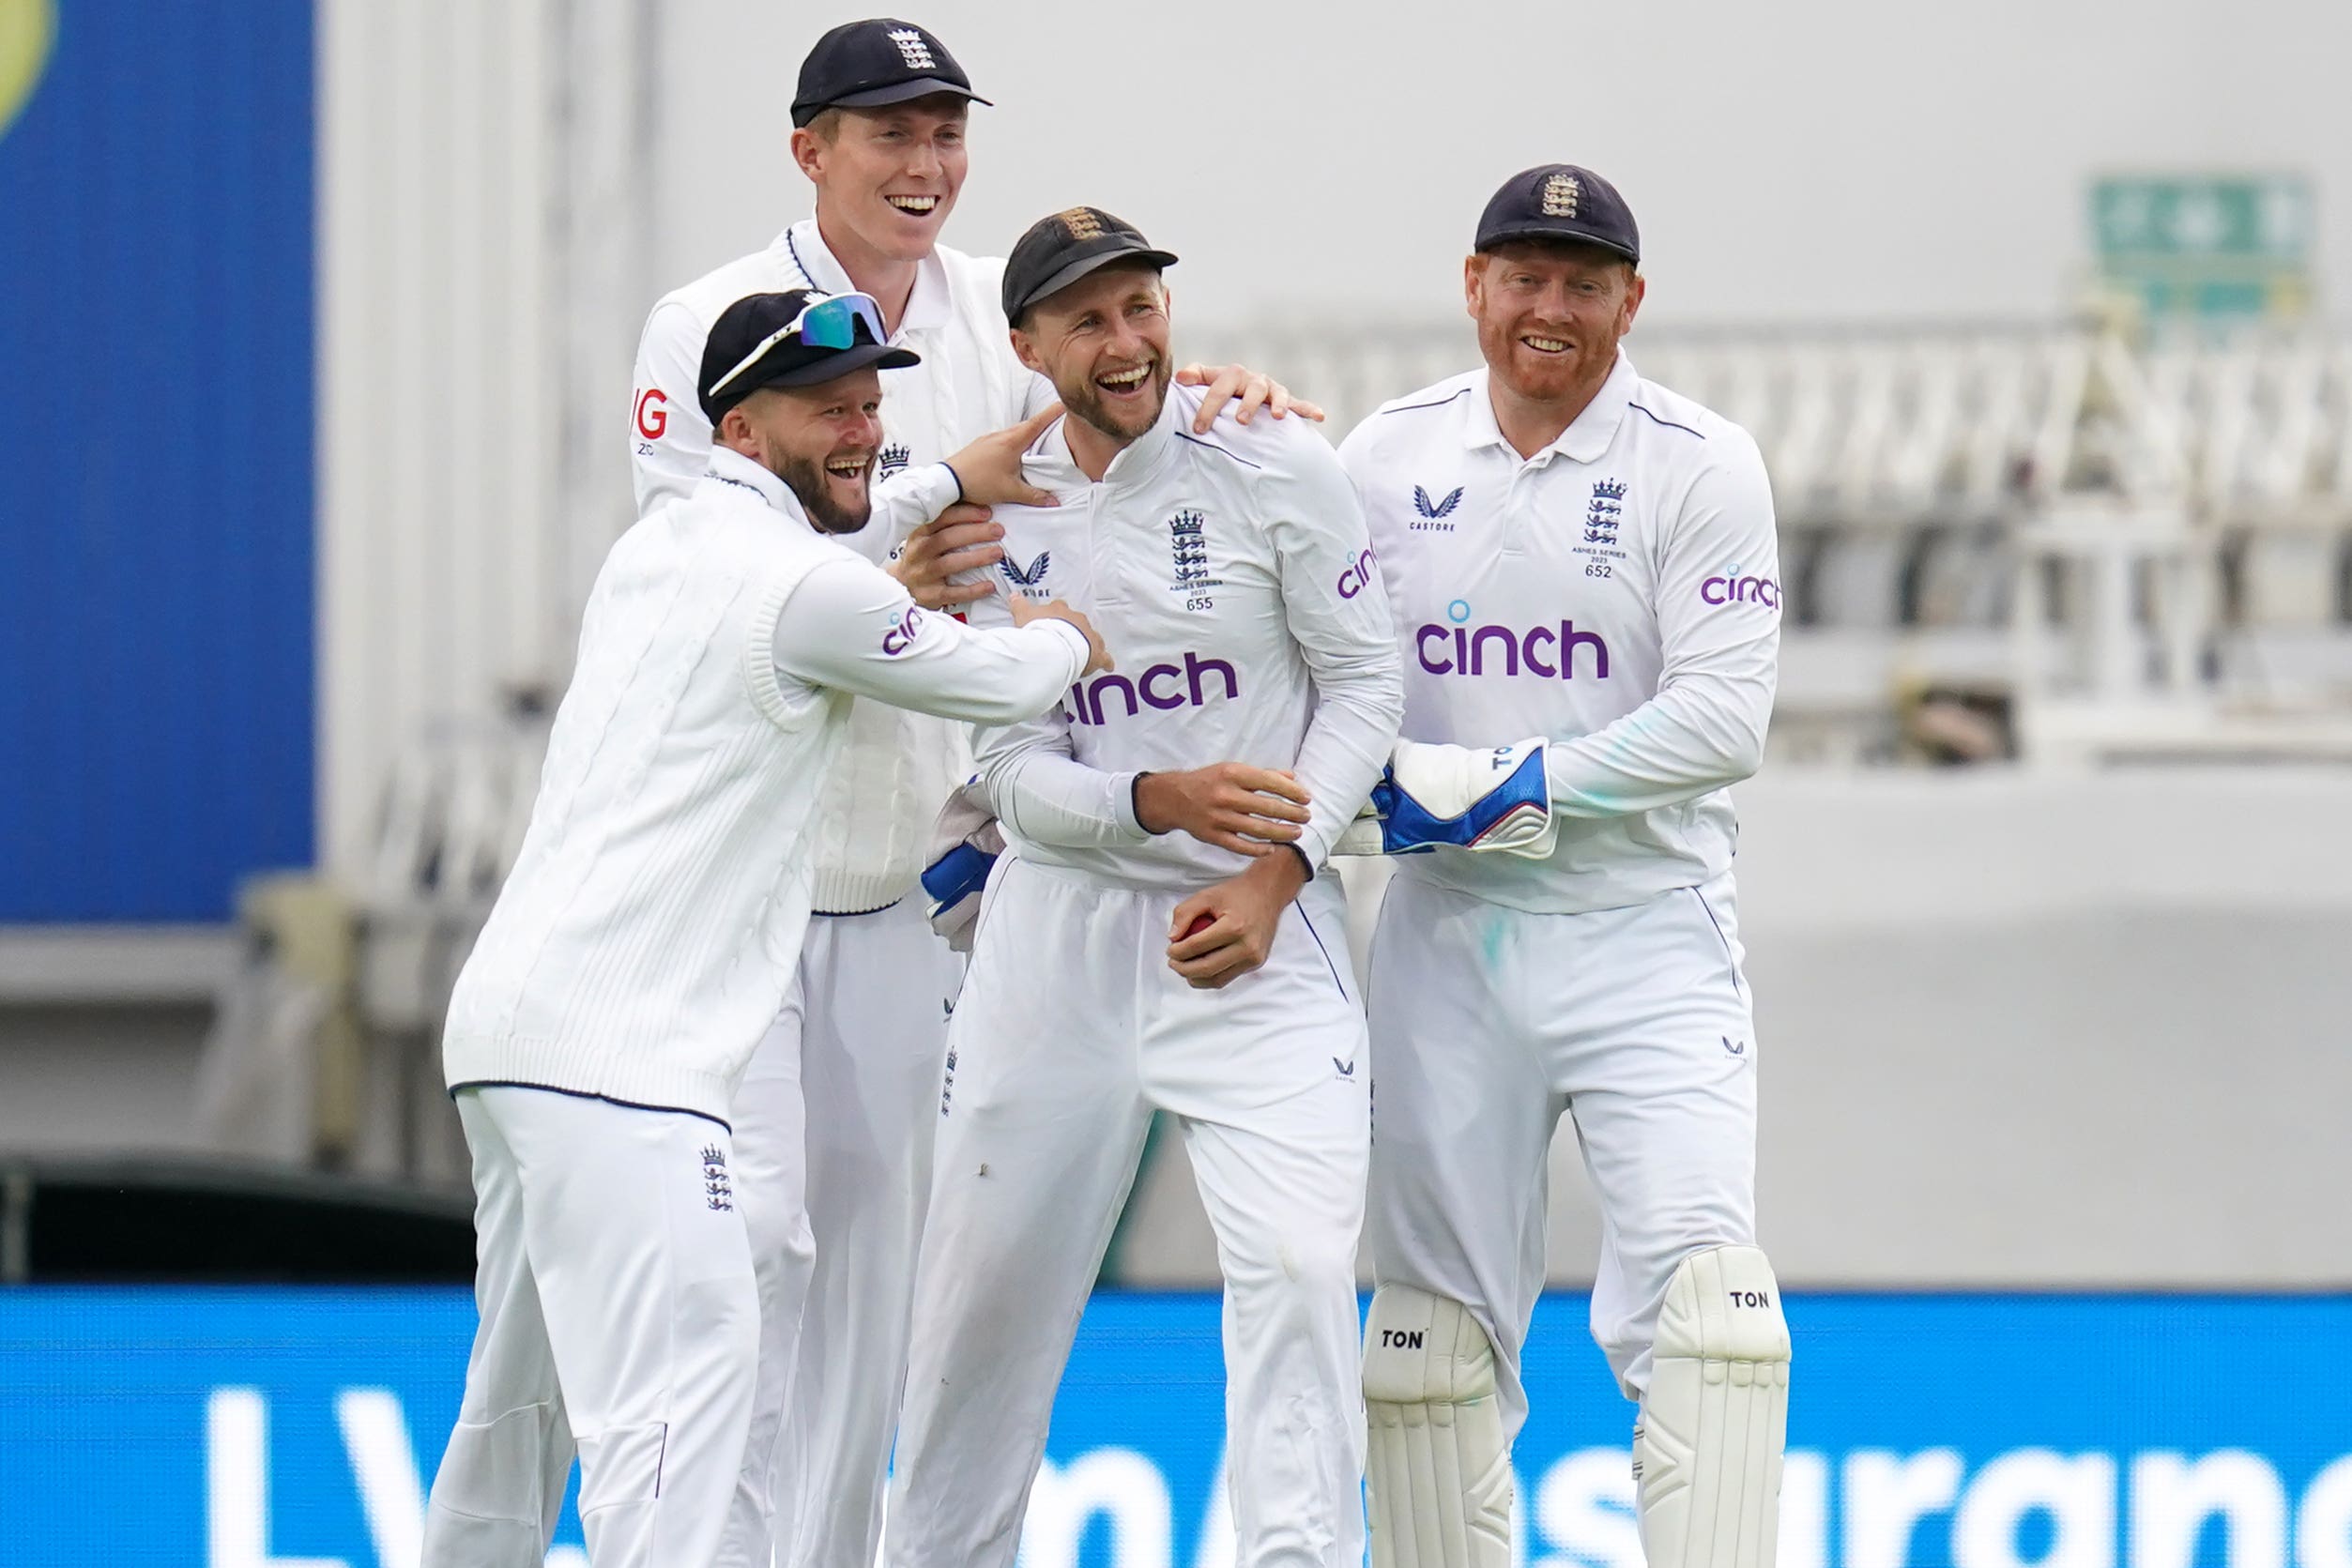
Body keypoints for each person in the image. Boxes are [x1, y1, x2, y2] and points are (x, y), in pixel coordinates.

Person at [625, 23, 1316, 1566]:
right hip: (736, 868)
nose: (925, 165)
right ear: (810, 149)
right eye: (889, 135)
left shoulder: (1001, 313)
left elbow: (1117, 406)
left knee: (875, 1276)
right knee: (743, 1254)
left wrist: (1215, 397)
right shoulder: (707, 322)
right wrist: (905, 559)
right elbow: (712, 582)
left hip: (903, 870)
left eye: (944, 132)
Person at [420, 288, 1107, 1568]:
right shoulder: (797, 586)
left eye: (866, 406)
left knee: (515, 1416)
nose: (859, 432)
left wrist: (928, 482)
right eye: (822, 410)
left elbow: (824, 556)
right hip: (631, 1067)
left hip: (511, 1040)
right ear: (739, 429)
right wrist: (1061, 634)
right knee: (679, 1425)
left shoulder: (662, 548)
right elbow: (992, 673)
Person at [883, 207, 1403, 1568]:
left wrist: (1279, 868)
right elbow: (1006, 767)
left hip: (1254, 932)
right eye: (1088, 321)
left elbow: (1363, 682)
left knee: (1295, 1275)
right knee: (972, 1314)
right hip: (1055, 938)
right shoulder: (993, 506)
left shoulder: (1274, 459)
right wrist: (1147, 801)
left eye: (1142, 309)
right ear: (1028, 345)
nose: (1126, 344)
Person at [1335, 165, 1791, 1567]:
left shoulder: (1697, 461)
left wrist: (1505, 789)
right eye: (1522, 278)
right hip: (1445, 941)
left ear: (1628, 303)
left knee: (1713, 1326)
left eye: (1581, 285)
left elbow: (1722, 720)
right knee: (1421, 1346)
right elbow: (1329, 687)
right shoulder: (1377, 458)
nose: (1549, 310)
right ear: (1472, 286)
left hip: (1643, 927)